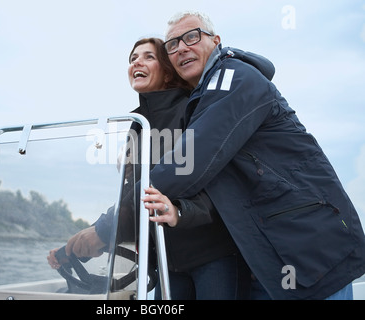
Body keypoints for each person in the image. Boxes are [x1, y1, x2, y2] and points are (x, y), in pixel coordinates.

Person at [147, 11, 365, 300]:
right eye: (172, 45)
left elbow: (189, 162)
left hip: (311, 253)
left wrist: (122, 213)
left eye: (191, 37)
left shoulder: (234, 77)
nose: (182, 48)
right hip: (269, 258)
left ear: (216, 41)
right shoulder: (202, 99)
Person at [48, 37, 250, 300]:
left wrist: (102, 232)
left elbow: (161, 184)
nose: (137, 62)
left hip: (213, 255)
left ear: (167, 73)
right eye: (132, 59)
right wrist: (77, 246)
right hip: (170, 261)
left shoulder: (189, 111)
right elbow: (132, 196)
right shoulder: (138, 124)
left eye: (148, 57)